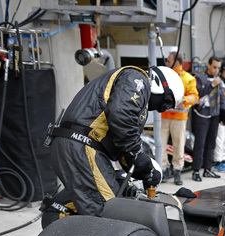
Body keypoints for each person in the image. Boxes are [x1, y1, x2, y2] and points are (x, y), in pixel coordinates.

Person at [49, 66, 183, 216]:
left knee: (97, 202)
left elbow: (122, 143)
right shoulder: (137, 78)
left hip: (74, 144)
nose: (160, 109)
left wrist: (144, 169)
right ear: (161, 84)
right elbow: (121, 115)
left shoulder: (131, 89)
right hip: (82, 146)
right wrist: (137, 154)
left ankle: (62, 222)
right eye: (165, 103)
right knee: (109, 212)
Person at [159, 52, 199, 186]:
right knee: (160, 144)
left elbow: (195, 96)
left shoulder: (188, 78)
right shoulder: (165, 75)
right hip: (164, 115)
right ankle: (163, 170)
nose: (166, 63)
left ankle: (177, 171)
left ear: (177, 62)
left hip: (179, 117)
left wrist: (185, 100)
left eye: (169, 61)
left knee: (179, 145)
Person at [191, 56, 225, 181]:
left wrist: (223, 116)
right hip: (202, 113)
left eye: (218, 68)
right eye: (214, 67)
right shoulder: (200, 78)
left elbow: (221, 98)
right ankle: (196, 170)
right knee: (200, 142)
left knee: (211, 142)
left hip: (214, 113)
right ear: (209, 65)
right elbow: (198, 93)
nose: (216, 70)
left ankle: (208, 168)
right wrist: (211, 85)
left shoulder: (218, 80)